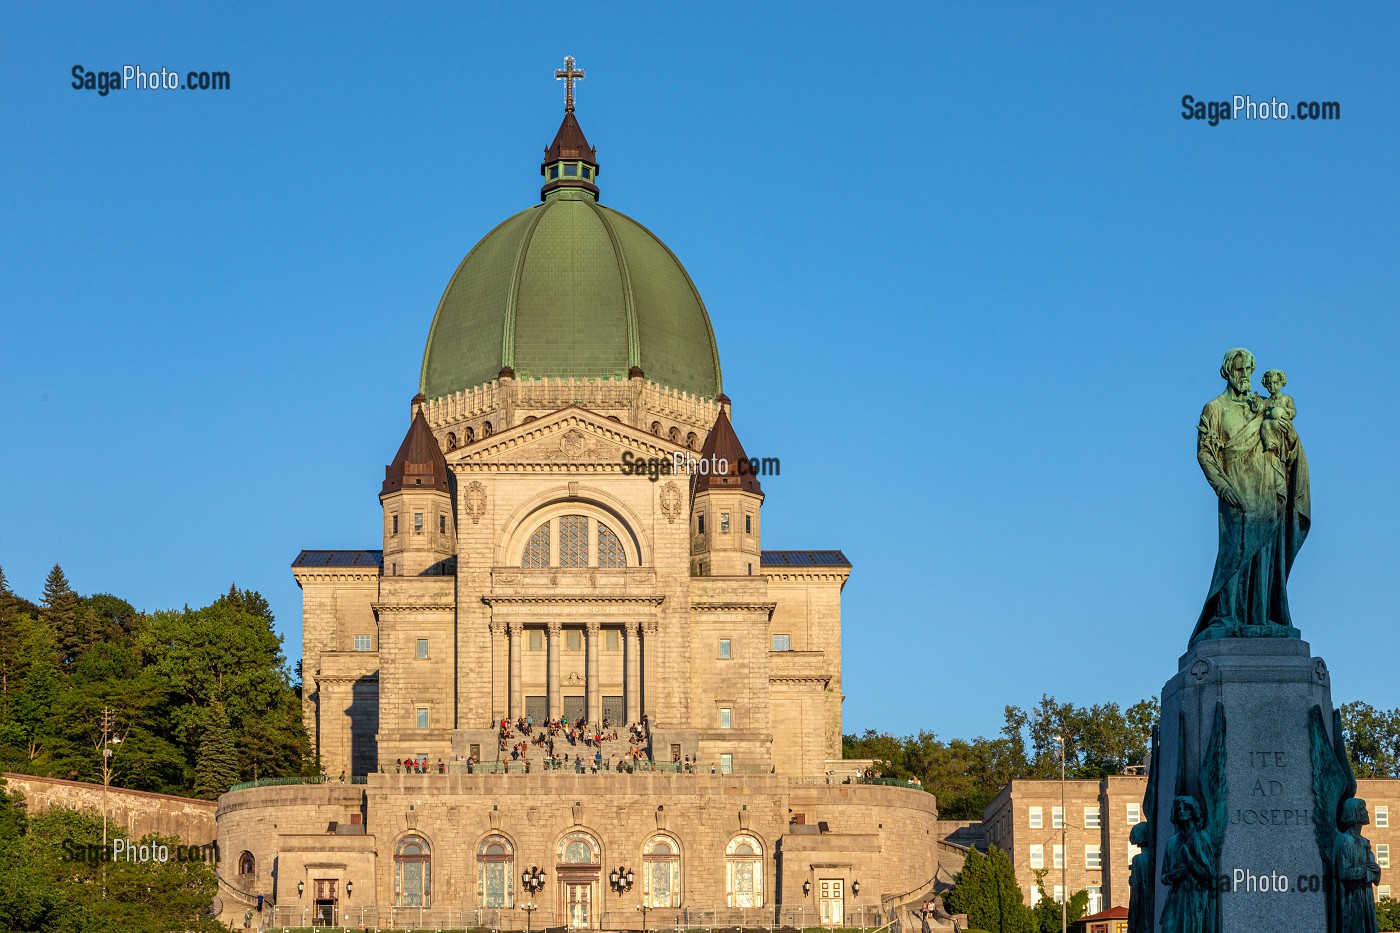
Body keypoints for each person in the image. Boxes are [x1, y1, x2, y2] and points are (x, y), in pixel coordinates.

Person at [1192, 348, 1310, 643]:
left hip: (1269, 489)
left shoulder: (1263, 404)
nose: (1245, 375)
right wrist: (1223, 487)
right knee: (1235, 551)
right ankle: (1226, 615)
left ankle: (1262, 616)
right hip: (1236, 492)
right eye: (1239, 370)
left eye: (1248, 370)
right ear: (1227, 372)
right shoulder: (1214, 408)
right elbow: (1205, 453)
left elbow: (1287, 444)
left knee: (1266, 554)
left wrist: (1288, 435)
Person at [1160, 796, 1216, 933]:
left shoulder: (1202, 837)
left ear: (1193, 811)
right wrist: (1171, 876)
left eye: (1186, 808)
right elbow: (1163, 875)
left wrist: (1189, 859)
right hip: (1176, 897)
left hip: (1195, 896)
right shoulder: (1172, 841)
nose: (1181, 811)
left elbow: (1209, 874)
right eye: (1179, 808)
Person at [1333, 798, 1382, 933]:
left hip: (1366, 894)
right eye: (1362, 810)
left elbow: (1373, 871)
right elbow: (1344, 872)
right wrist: (1367, 870)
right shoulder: (1345, 841)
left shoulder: (1364, 842)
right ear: (1354, 813)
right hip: (1352, 897)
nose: (1366, 812)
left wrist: (1377, 870)